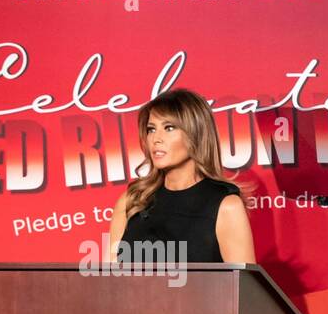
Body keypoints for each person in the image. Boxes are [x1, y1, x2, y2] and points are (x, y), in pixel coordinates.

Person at [108, 88, 256, 264]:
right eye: (151, 129)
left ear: (196, 133)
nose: (156, 139)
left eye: (169, 128)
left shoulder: (225, 206)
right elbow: (111, 283)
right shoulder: (133, 200)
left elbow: (243, 288)